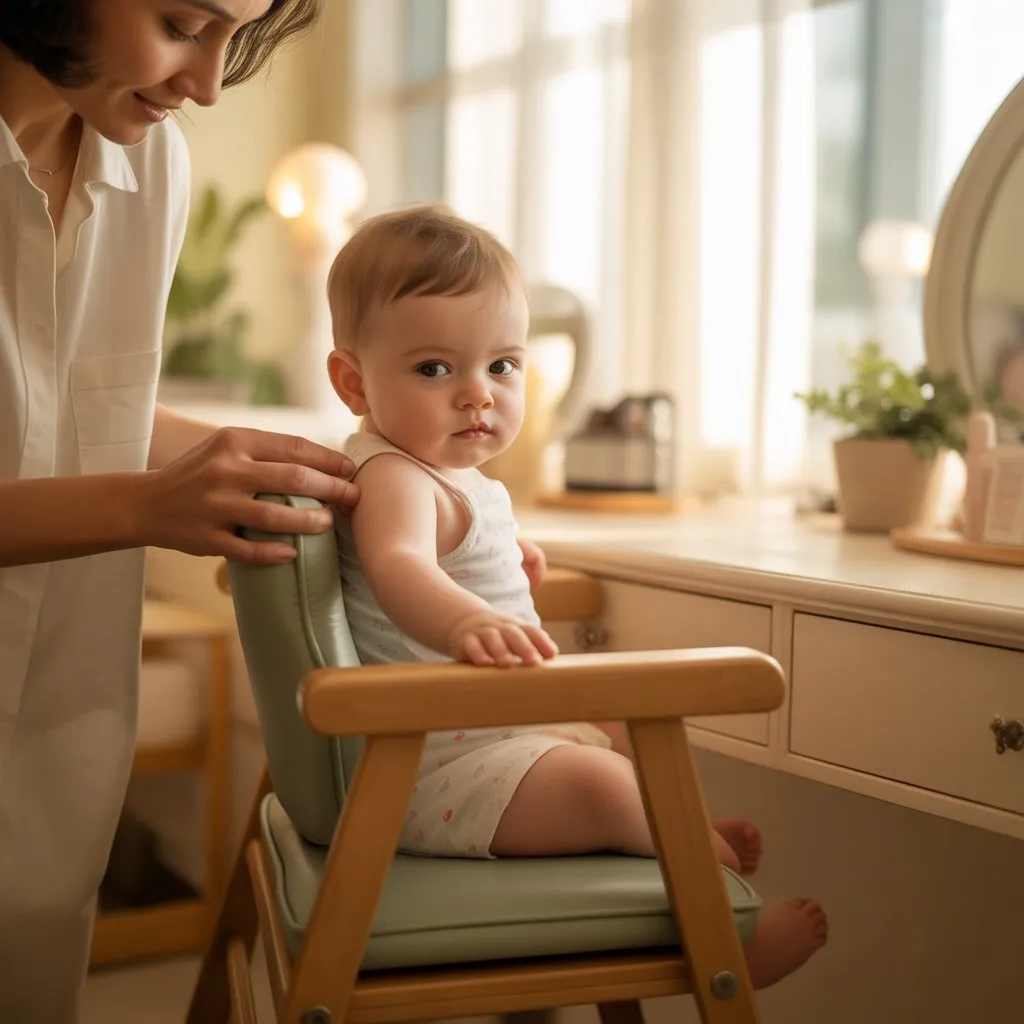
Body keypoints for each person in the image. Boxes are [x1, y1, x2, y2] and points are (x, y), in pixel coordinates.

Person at [327, 206, 829, 989]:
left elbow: (444, 547)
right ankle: (723, 932)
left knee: (622, 731)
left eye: (502, 367)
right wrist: (468, 616)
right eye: (435, 369)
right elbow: (398, 565)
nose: (477, 396)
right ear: (353, 380)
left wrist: (502, 556)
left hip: (490, 734)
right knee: (606, 780)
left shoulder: (443, 474)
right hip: (433, 770)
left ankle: (679, 831)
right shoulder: (393, 475)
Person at [0, 2, 359, 1020]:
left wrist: (311, 475)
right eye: (181, 21)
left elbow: (78, 402)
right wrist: (148, 505)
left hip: (62, 692)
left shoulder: (148, 167)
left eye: (231, 37)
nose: (205, 84)